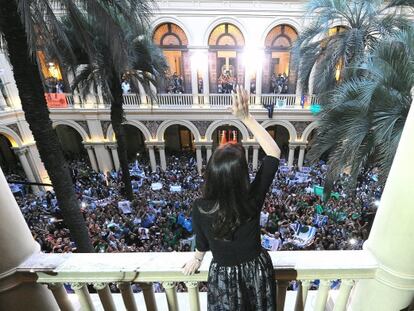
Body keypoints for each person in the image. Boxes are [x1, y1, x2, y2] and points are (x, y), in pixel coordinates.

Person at [182, 85, 281, 310]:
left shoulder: (201, 207)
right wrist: (247, 118)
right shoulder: (252, 199)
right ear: (241, 175)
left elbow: (202, 242)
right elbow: (273, 153)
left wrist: (197, 258)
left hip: (223, 276)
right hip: (257, 270)